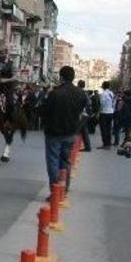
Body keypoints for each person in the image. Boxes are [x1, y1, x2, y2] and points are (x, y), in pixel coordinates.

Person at [41, 66, 87, 196]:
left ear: (61, 77)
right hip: (71, 133)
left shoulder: (55, 93)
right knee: (65, 160)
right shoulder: (80, 93)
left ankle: (55, 191)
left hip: (54, 133)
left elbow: (44, 111)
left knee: (53, 162)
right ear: (73, 77)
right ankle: (64, 188)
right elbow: (83, 112)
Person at [98, 81, 115, 149]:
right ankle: (109, 143)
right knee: (109, 128)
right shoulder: (111, 93)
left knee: (103, 129)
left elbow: (102, 104)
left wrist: (99, 112)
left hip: (104, 113)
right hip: (110, 112)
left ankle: (105, 144)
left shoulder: (103, 94)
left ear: (103, 86)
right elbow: (113, 102)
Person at [76, 80, 92, 152]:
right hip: (85, 114)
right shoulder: (85, 93)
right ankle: (88, 147)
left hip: (81, 115)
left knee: (75, 131)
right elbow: (89, 103)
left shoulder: (79, 93)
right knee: (84, 131)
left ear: (78, 85)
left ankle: (69, 147)